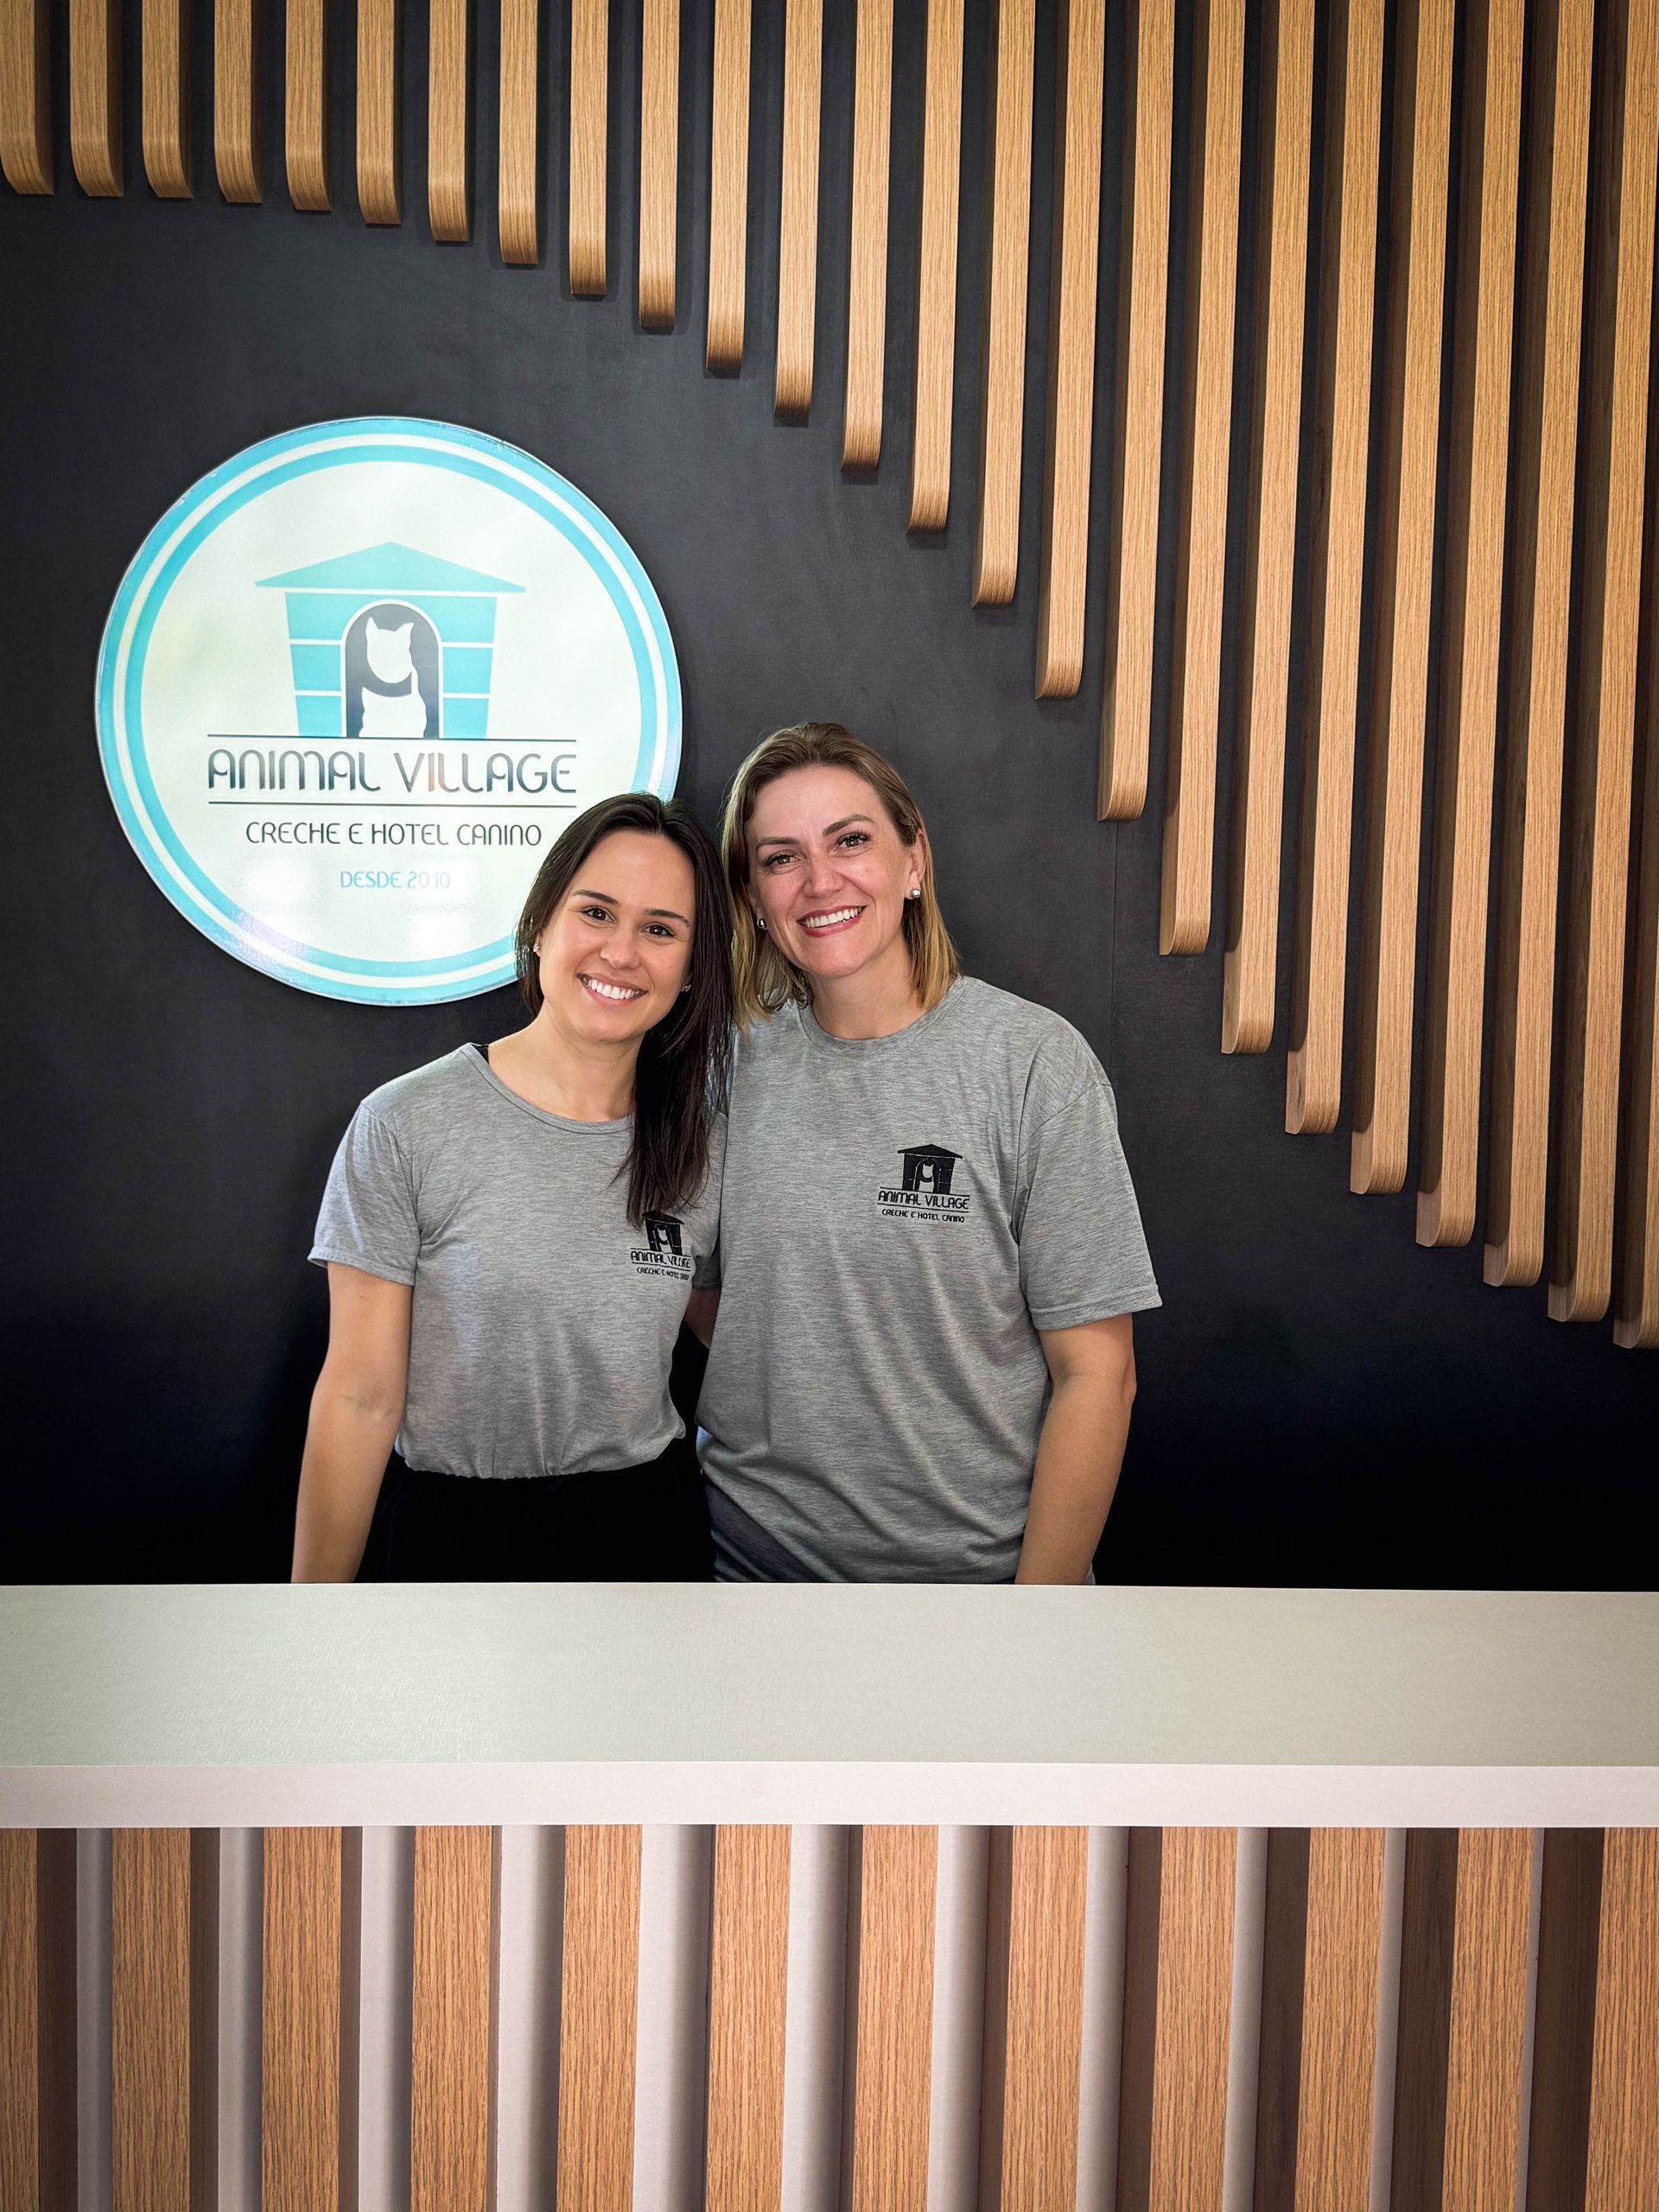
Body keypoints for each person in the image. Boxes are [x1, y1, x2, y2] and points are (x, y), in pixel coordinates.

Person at [696, 721, 1160, 1584]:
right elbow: (700, 1288)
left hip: (976, 1591)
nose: (820, 881)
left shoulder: (1031, 1063)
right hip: (751, 1587)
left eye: (851, 841)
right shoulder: (724, 1070)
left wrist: (1035, 1617)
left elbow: (1099, 1372)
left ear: (914, 861)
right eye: (781, 858)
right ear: (753, 896)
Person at [291, 791, 730, 1582]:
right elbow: (359, 1396)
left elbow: (737, 1333)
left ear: (694, 971)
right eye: (596, 913)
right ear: (539, 925)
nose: (621, 952)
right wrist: (311, 1617)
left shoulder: (705, 1148)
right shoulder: (407, 1123)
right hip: (456, 1535)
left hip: (648, 1540)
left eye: (660, 930)